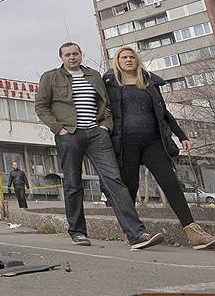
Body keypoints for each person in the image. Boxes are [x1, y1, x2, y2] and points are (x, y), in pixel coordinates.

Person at [35, 42, 163, 249]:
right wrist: (58, 129)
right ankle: (78, 232)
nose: (72, 57)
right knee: (73, 184)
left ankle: (137, 234)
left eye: (75, 53)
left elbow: (106, 104)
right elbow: (41, 106)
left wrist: (105, 125)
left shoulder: (94, 75)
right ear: (61, 58)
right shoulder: (50, 77)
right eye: (67, 55)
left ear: (80, 55)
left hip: (97, 134)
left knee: (114, 180)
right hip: (69, 134)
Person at [102, 46, 215, 250]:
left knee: (171, 184)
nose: (128, 60)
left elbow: (164, 113)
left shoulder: (149, 83)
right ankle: (135, 234)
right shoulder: (110, 85)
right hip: (126, 145)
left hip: (153, 143)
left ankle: (193, 233)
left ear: (137, 61)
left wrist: (182, 135)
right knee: (129, 189)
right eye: (123, 57)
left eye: (131, 57)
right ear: (117, 62)